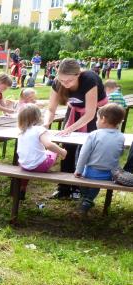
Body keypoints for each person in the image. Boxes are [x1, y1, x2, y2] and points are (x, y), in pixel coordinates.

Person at [44, 58, 107, 199]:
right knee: (67, 147)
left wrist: (69, 129)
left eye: (69, 81)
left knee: (87, 148)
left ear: (78, 75)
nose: (65, 84)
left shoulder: (89, 79)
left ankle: (80, 188)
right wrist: (46, 124)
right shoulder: (57, 82)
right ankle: (64, 187)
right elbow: (51, 109)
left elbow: (91, 113)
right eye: (62, 80)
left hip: (95, 113)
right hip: (74, 112)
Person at [74, 103, 125, 214]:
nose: (96, 121)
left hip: (92, 172)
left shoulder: (94, 134)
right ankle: (87, 199)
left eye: (97, 119)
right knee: (95, 184)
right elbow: (120, 153)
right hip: (110, 174)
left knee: (79, 157)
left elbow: (84, 155)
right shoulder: (121, 137)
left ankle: (86, 199)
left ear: (103, 119)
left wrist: (78, 170)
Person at [16, 105, 68, 198]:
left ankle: (22, 188)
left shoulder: (21, 131)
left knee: (32, 158)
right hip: (40, 166)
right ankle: (61, 157)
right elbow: (48, 145)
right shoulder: (39, 129)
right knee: (54, 147)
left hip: (24, 165)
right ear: (38, 117)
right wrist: (61, 151)